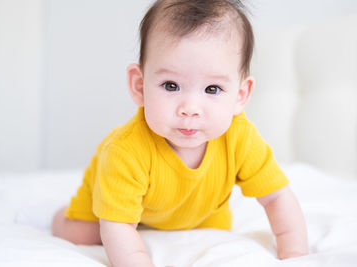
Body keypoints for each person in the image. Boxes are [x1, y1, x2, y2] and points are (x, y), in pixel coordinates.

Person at [52, 0, 308, 266]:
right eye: (171, 85)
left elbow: (277, 196)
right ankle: (60, 217)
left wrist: (295, 254)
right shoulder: (125, 150)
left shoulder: (240, 138)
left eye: (212, 89)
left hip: (199, 214)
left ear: (240, 96)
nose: (190, 109)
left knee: (213, 238)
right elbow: (117, 226)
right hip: (113, 203)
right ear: (139, 86)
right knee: (84, 233)